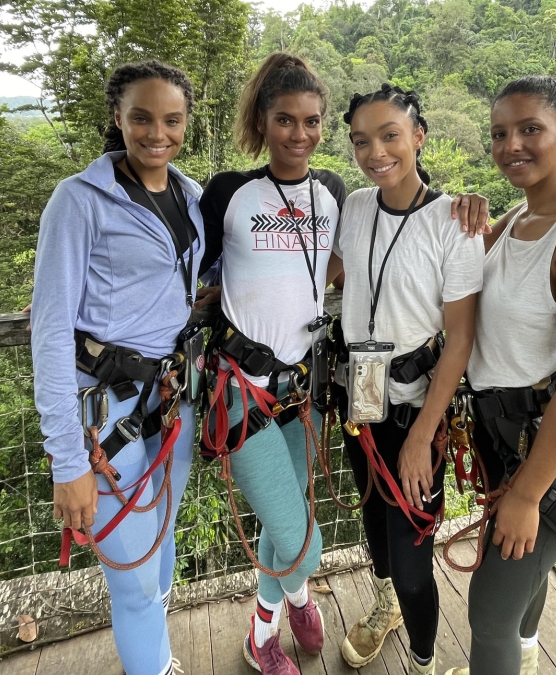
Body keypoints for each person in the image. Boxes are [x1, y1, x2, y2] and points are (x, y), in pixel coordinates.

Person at [443, 76, 556, 675]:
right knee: (525, 581)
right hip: (507, 436)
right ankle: (524, 657)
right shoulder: (518, 218)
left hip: (553, 454)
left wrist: (526, 494)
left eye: (531, 130)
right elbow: (460, 273)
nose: (511, 145)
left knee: (489, 613)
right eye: (500, 133)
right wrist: (464, 219)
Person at [31, 60, 206, 675]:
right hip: (104, 420)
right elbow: (49, 331)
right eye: (141, 117)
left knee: (160, 550)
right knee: (131, 581)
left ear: (186, 122)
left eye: (171, 119)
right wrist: (67, 460)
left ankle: (157, 660)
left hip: (171, 403)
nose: (157, 132)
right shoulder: (79, 202)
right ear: (118, 119)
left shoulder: (190, 196)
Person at [329, 84, 485, 675]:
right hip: (358, 398)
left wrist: (424, 434)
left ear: (418, 137)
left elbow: (461, 338)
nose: (376, 152)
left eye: (390, 135)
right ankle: (385, 604)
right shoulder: (357, 207)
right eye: (362, 140)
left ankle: (423, 662)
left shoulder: (454, 222)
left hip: (415, 410)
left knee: (416, 561)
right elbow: (333, 272)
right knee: (374, 516)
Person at [197, 52, 344, 675]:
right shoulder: (230, 191)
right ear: (263, 120)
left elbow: (341, 258)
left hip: (301, 388)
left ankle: (265, 634)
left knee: (285, 518)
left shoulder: (331, 190)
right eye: (285, 120)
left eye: (312, 121)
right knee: (303, 546)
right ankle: (302, 591)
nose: (300, 135)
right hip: (243, 392)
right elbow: (190, 264)